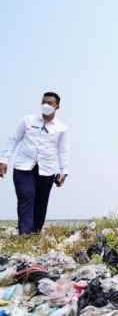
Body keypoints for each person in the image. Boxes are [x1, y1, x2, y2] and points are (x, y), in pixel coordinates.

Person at [0, 92, 69, 235]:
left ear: (57, 106)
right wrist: (3, 160)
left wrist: (64, 171)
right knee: (26, 195)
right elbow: (13, 139)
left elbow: (63, 151)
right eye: (44, 102)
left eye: (50, 103)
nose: (46, 105)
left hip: (47, 170)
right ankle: (24, 234)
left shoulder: (61, 128)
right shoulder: (27, 121)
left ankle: (35, 232)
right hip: (23, 167)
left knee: (41, 202)